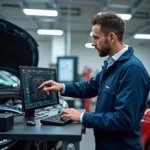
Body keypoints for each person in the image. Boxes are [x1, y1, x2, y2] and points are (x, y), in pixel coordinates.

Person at [38, 11, 150, 150]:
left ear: (111, 37)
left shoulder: (132, 70)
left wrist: (83, 117)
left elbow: (124, 120)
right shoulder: (111, 64)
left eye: (96, 38)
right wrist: (61, 87)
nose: (93, 43)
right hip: (104, 144)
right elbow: (90, 87)